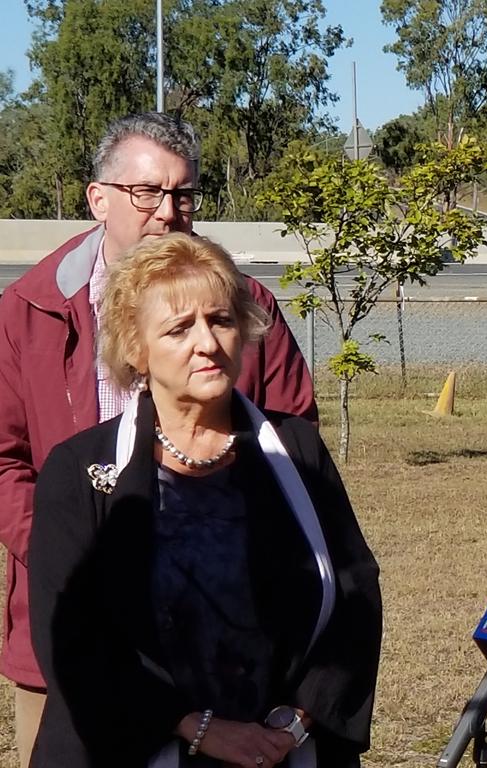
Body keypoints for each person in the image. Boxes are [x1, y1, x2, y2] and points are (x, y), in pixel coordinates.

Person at [0, 112, 316, 767]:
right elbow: (4, 462)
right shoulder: (26, 311)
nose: (167, 211)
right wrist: (71, 554)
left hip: (225, 639)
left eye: (183, 193)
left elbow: (295, 447)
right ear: (99, 199)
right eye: (148, 192)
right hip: (70, 637)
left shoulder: (246, 307)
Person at [27, 233, 381, 768]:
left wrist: (296, 722)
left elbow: (356, 598)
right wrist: (197, 728)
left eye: (220, 320)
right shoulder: (79, 469)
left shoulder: (295, 449)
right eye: (178, 328)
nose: (208, 343)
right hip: (133, 747)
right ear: (134, 348)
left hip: (282, 749)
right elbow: (71, 642)